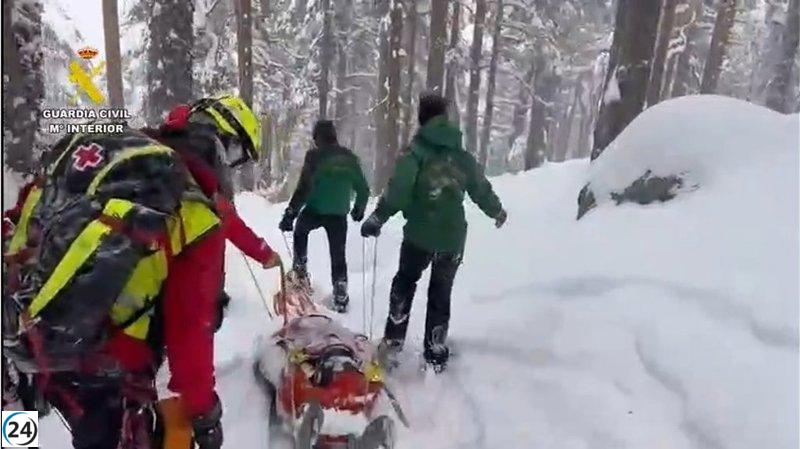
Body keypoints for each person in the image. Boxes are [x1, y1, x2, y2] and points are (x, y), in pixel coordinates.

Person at [360, 94, 507, 372]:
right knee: (441, 291)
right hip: (452, 238)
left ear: (421, 118)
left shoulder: (415, 153)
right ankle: (435, 347)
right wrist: (496, 211)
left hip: (419, 234)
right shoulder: (461, 156)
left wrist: (379, 217)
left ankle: (393, 341)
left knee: (405, 280)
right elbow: (480, 188)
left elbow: (399, 190)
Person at [147, 99, 281, 330]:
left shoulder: (157, 147)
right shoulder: (197, 161)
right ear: (226, 134)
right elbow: (224, 220)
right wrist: (263, 253)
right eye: (238, 152)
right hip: (172, 291)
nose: (231, 162)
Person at [279, 120, 369, 313]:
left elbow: (304, 188)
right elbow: (363, 187)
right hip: (338, 213)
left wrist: (290, 214)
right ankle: (340, 291)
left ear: (317, 138)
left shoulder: (314, 156)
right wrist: (359, 209)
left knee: (300, 232)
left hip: (315, 209)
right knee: (338, 254)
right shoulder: (349, 158)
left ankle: (300, 273)